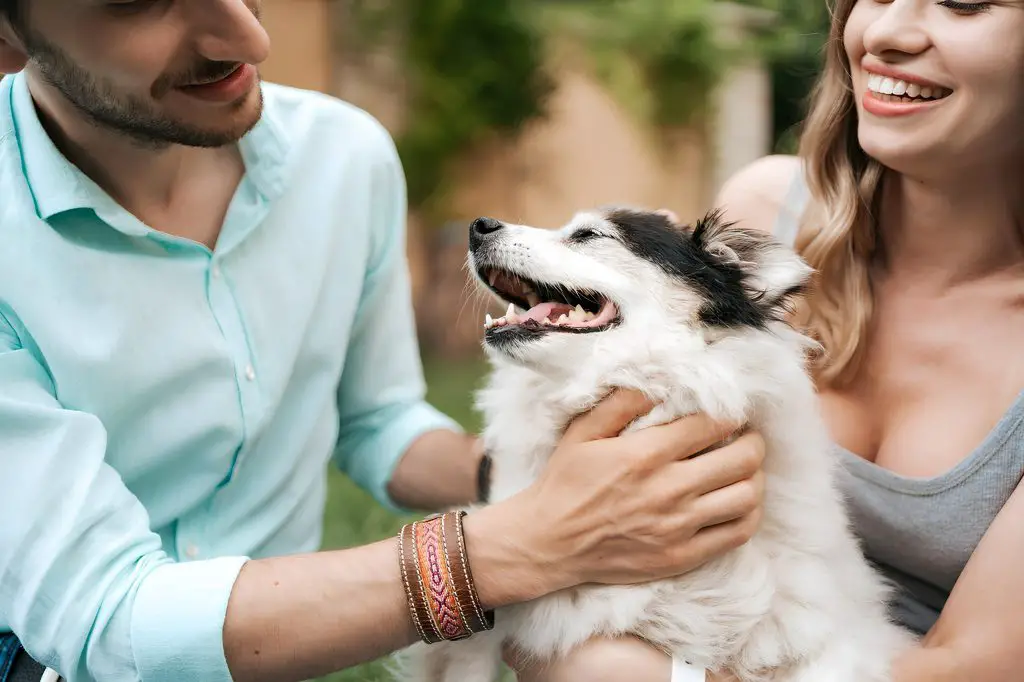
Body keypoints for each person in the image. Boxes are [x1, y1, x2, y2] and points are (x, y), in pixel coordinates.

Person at [0, 2, 769, 681]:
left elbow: (378, 421)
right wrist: (521, 542)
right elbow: (104, 625)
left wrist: (553, 472)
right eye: (138, 2)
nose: (248, 37)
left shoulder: (343, 157)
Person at [511, 0, 1024, 679]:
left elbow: (973, 664)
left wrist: (625, 668)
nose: (886, 32)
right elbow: (586, 502)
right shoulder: (766, 217)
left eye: (963, 1)